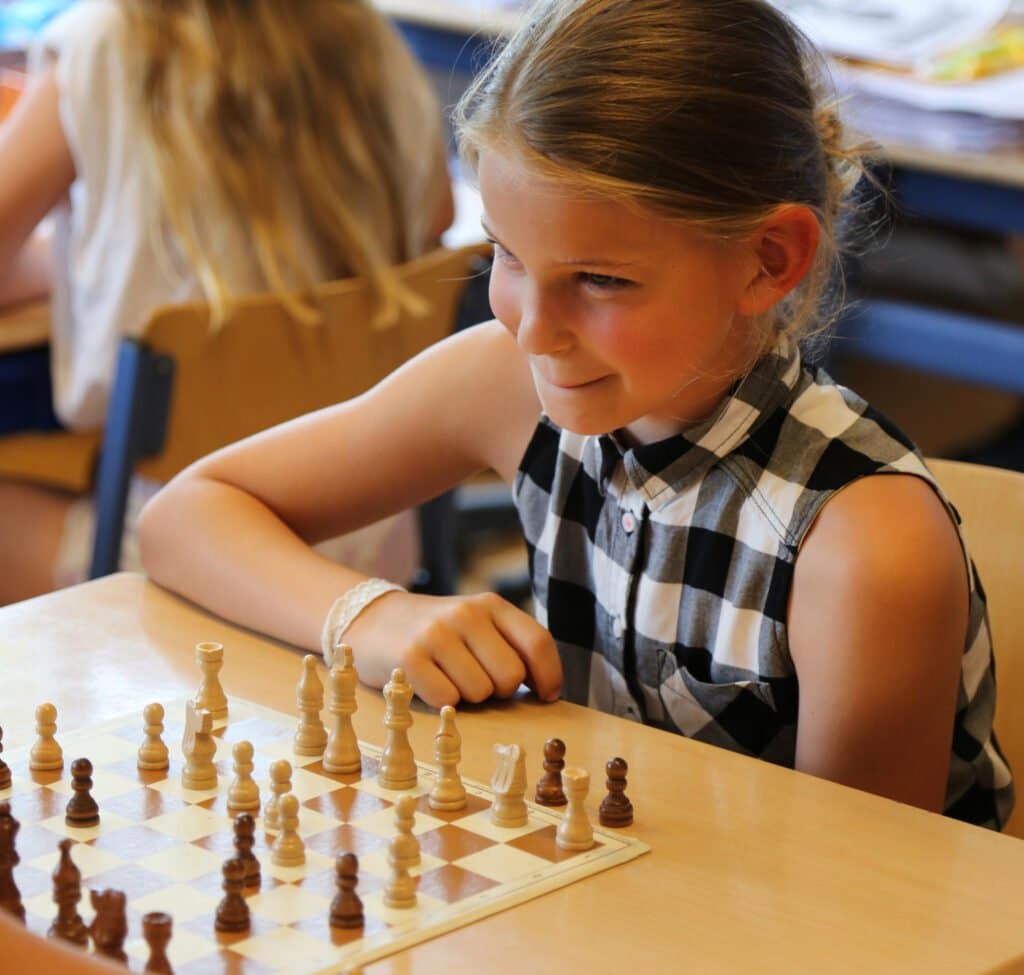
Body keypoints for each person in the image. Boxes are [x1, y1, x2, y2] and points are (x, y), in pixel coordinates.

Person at [139, 0, 1014, 830]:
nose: (534, 328)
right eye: (507, 254)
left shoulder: (862, 545)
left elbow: (864, 901)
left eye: (600, 279)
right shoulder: (507, 383)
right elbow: (186, 515)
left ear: (768, 259)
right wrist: (369, 615)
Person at [0, 0, 454, 603]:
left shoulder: (104, 42)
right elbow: (435, 219)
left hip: (174, 555)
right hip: (370, 527)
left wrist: (85, 264)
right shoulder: (364, 32)